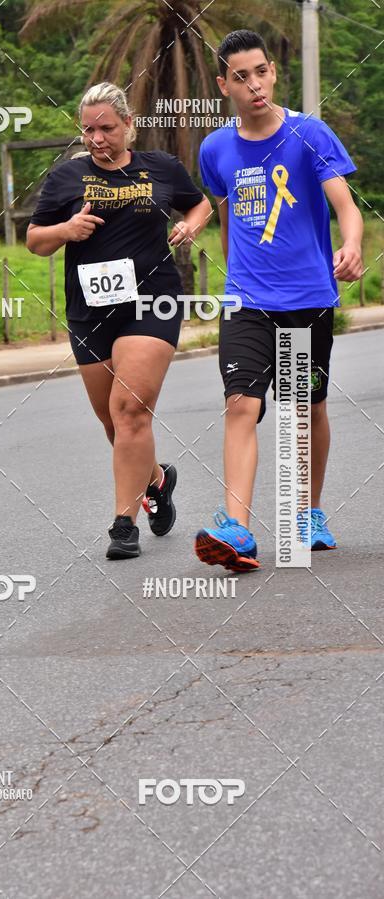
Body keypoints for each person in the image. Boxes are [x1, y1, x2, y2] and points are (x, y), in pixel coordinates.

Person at [195, 30, 363, 572]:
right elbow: (225, 216)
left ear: (272, 72)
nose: (255, 84)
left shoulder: (309, 134)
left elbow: (346, 204)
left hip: (308, 298)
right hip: (247, 300)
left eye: (261, 71)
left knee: (303, 407)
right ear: (224, 85)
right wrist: (232, 278)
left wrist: (352, 245)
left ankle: (307, 513)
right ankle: (237, 529)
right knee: (241, 403)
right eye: (241, 76)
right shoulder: (216, 148)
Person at [27, 82, 212, 559]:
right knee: (114, 423)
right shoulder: (67, 178)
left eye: (107, 128)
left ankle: (123, 525)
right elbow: (35, 240)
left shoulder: (161, 168)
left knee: (130, 411)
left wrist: (191, 224)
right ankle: (157, 479)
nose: (97, 138)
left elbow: (199, 202)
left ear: (129, 125)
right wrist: (66, 230)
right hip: (90, 309)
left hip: (152, 300)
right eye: (88, 129)